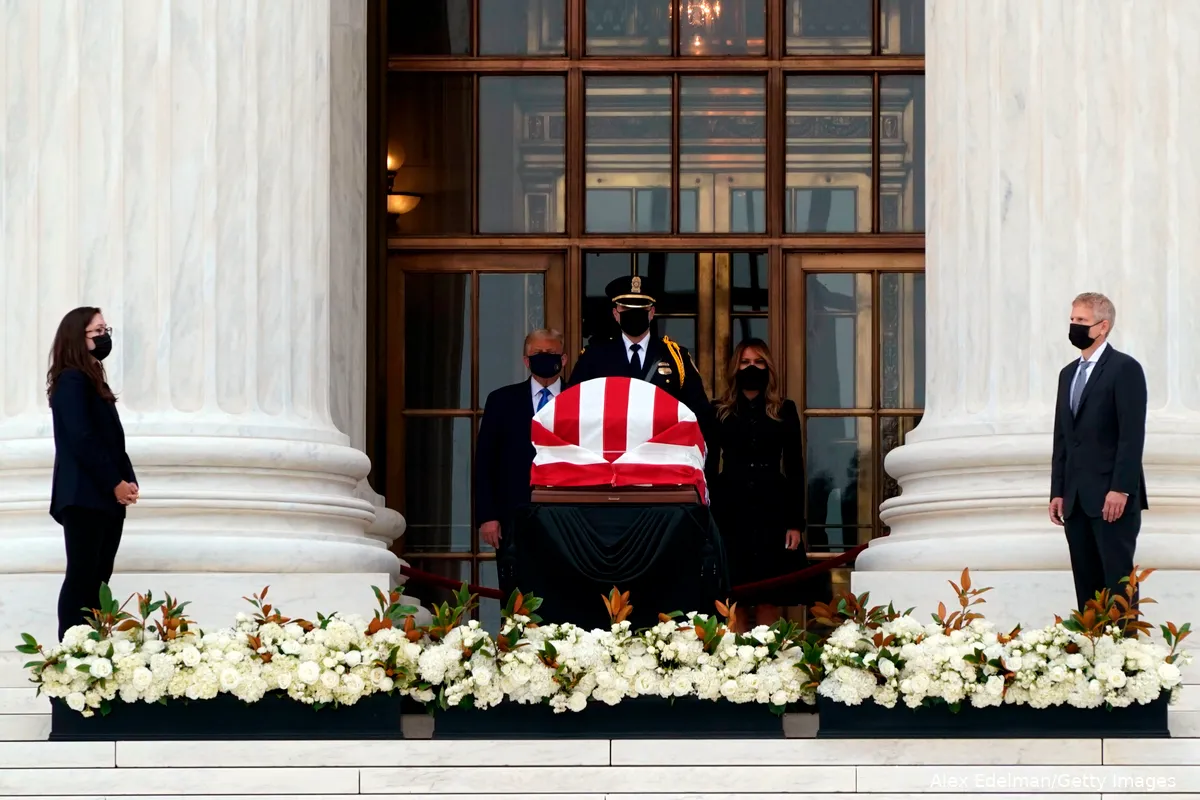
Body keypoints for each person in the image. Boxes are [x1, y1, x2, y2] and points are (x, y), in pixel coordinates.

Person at [1050, 292, 1147, 614]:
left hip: (1112, 498)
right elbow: (1063, 438)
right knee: (1086, 585)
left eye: (1081, 321)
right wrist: (1058, 491)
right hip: (1075, 500)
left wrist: (1120, 488)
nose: (1074, 326)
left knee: (1117, 584)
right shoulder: (1068, 374)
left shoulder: (1125, 369)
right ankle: (1093, 653)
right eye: (1072, 319)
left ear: (1102, 326)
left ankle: (1124, 660)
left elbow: (1131, 436)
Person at [46, 307, 138, 638]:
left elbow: (112, 440)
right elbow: (81, 438)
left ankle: (91, 643)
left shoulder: (92, 379)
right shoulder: (71, 379)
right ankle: (71, 650)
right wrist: (114, 483)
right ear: (77, 337)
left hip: (104, 496)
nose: (104, 336)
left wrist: (128, 480)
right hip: (85, 495)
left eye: (105, 329)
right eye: (97, 331)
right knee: (83, 575)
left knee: (99, 579)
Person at [707, 339, 808, 629]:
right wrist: (708, 519)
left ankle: (768, 664)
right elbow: (710, 469)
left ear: (769, 368)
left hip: (771, 507)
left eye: (759, 362)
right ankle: (736, 666)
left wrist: (795, 523)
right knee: (733, 596)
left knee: (768, 596)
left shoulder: (783, 410)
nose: (752, 368)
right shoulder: (719, 411)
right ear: (735, 368)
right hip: (730, 508)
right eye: (746, 362)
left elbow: (795, 468)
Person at [475, 329, 566, 599]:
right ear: (526, 360)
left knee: (565, 594)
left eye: (551, 353)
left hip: (568, 516)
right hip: (512, 516)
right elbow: (485, 461)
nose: (545, 358)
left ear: (564, 358)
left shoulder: (582, 398)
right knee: (516, 599)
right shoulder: (502, 400)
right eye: (538, 354)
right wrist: (487, 517)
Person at [567, 275, 712, 435]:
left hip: (661, 452)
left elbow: (700, 413)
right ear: (616, 314)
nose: (634, 314)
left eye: (641, 309)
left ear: (651, 313)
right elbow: (573, 408)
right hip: (612, 451)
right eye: (627, 309)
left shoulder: (676, 356)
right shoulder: (593, 357)